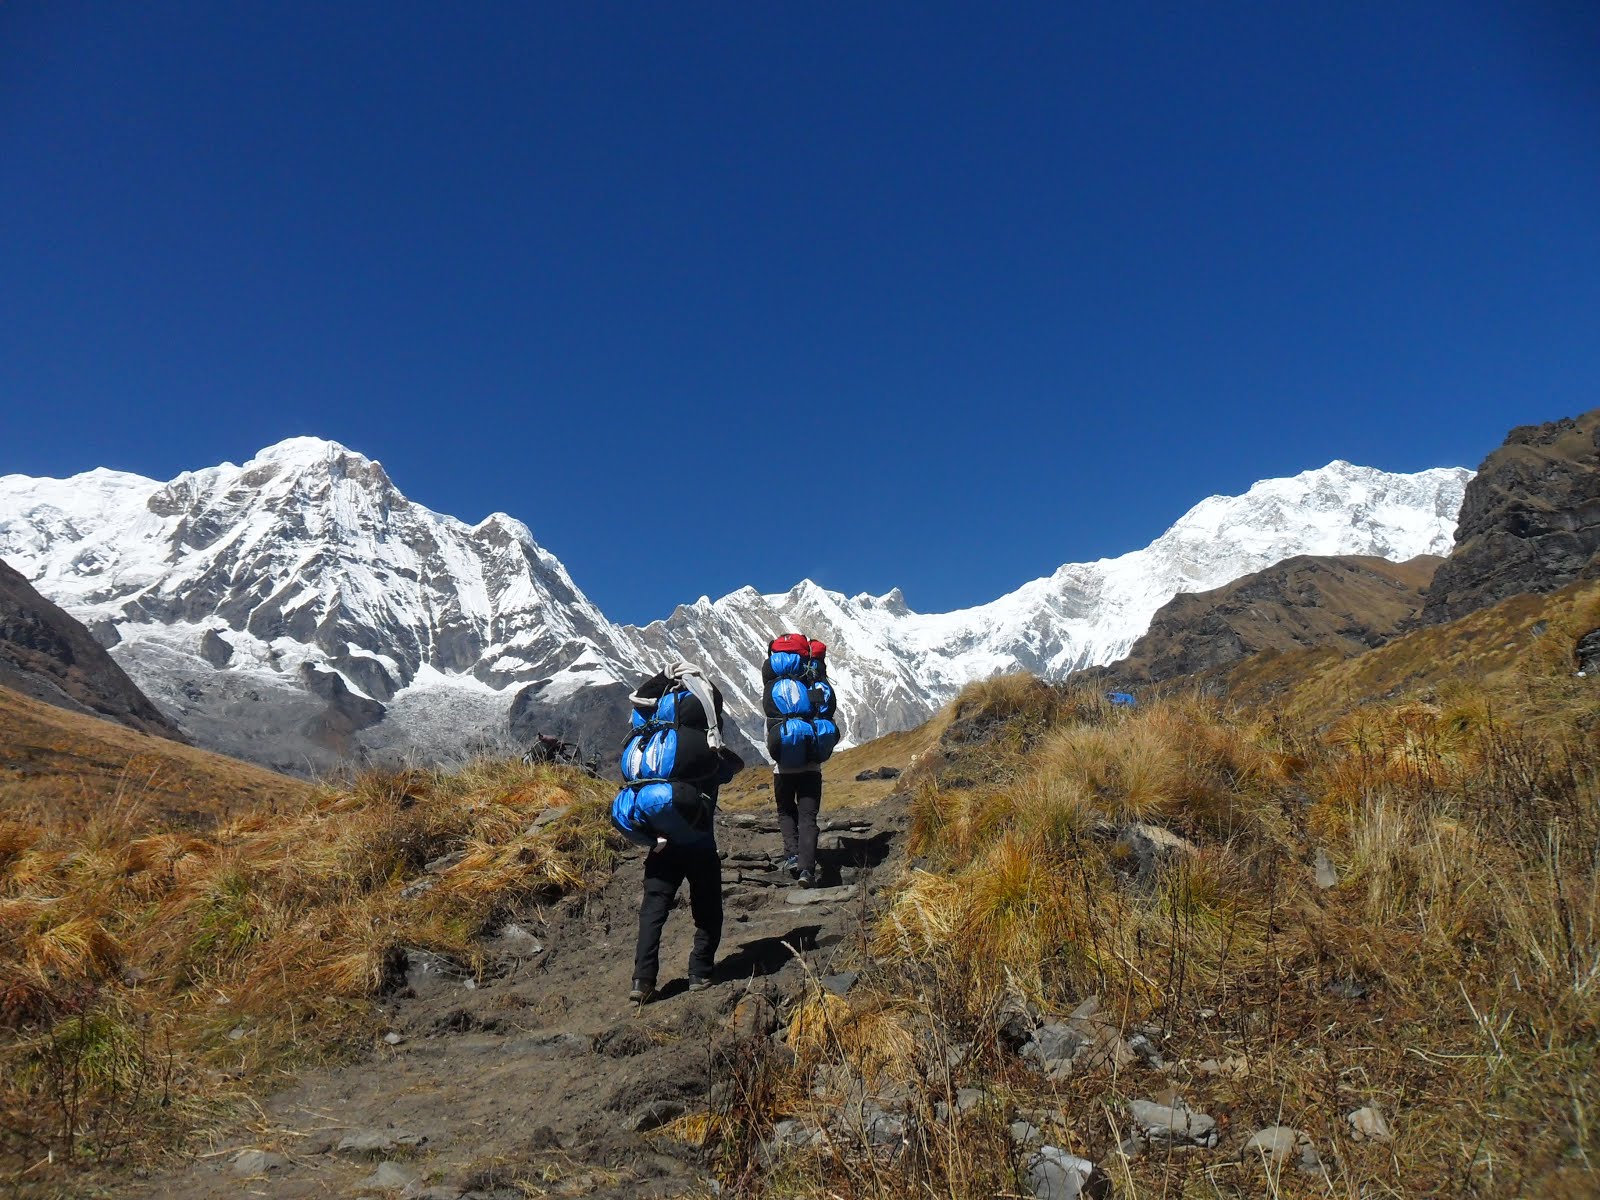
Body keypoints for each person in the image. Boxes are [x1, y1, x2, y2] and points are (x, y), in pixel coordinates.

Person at [610, 662, 741, 1004]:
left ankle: (642, 980)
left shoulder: (653, 744)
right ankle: (700, 971)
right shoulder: (702, 750)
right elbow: (726, 772)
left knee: (653, 908)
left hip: (660, 842)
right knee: (708, 906)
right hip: (698, 839)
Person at [761, 634, 841, 888]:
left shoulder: (774, 685)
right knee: (808, 817)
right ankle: (807, 870)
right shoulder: (813, 682)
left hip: (782, 766)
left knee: (785, 811)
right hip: (811, 765)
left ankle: (792, 855)